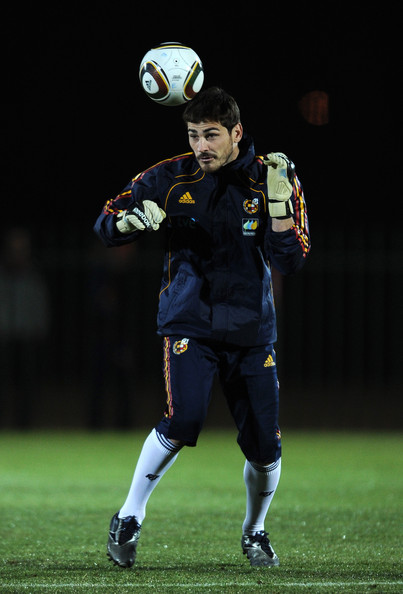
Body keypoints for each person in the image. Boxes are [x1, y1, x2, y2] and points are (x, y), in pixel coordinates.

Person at [94, 86, 311, 568]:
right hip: (189, 321)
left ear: (237, 132)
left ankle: (254, 531)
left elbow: (291, 261)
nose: (201, 146)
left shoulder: (272, 177)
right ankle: (129, 516)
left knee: (265, 447)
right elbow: (105, 221)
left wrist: (279, 212)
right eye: (193, 135)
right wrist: (129, 224)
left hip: (252, 331)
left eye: (211, 135)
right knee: (184, 420)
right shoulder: (169, 176)